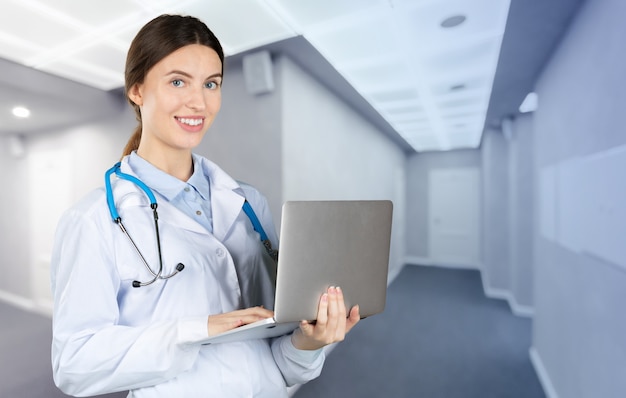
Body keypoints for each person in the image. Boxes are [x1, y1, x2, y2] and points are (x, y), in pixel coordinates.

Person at [50, 14, 360, 397]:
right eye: (178, 81)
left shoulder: (249, 203)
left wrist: (310, 343)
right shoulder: (93, 220)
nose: (198, 102)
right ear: (137, 90)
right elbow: (74, 364)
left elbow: (274, 358)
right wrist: (197, 330)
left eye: (211, 84)